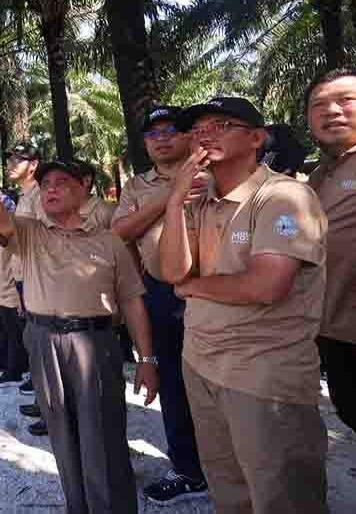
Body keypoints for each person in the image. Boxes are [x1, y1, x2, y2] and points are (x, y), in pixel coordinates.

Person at [0, 162, 159, 514]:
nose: (50, 188)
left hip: (95, 345)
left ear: (83, 190)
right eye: (45, 183)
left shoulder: (108, 241)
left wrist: (147, 359)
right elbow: (1, 220)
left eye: (62, 182)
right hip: (43, 341)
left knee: (105, 438)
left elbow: (132, 301)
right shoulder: (30, 232)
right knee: (63, 438)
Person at [159, 97, 329, 514]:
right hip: (201, 362)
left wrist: (193, 287)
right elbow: (173, 271)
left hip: (261, 373)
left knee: (281, 496)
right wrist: (174, 200)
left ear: (256, 138)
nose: (204, 135)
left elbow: (267, 285)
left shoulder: (283, 196)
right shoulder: (199, 200)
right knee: (229, 489)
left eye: (220, 125)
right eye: (198, 129)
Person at [112, 105, 208, 505]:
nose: (162, 139)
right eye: (153, 134)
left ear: (188, 136)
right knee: (172, 384)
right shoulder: (137, 185)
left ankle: (234, 467)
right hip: (162, 292)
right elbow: (118, 232)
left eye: (170, 130)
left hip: (216, 290)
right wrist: (170, 197)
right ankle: (188, 469)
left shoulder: (212, 171)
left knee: (221, 381)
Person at [305, 68, 356, 464]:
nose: (331, 111)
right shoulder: (325, 171)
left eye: (346, 100)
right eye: (318, 105)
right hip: (338, 332)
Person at [5, 142, 48, 435]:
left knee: (42, 342)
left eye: (17, 159)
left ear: (33, 165)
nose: (10, 164)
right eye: (9, 159)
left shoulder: (40, 194)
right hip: (24, 276)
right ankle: (42, 401)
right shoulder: (23, 195)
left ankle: (52, 409)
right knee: (33, 339)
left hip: (36, 277)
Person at [0, 193, 28, 387]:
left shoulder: (16, 233)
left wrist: (21, 296)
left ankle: (16, 371)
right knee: (9, 333)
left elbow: (18, 266)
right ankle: (13, 367)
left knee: (19, 335)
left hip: (14, 291)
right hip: (2, 290)